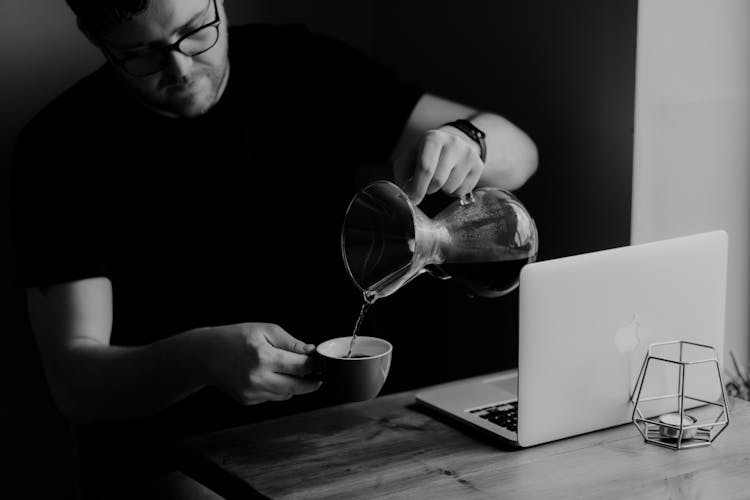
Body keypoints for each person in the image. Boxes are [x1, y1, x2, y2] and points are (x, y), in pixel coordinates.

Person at [11, 0, 538, 497]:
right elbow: (76, 383)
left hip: (344, 438)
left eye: (196, 30)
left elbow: (520, 156)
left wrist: (466, 140)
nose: (181, 67)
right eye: (141, 53)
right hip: (171, 462)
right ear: (97, 40)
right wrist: (197, 359)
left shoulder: (298, 68)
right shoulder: (61, 150)